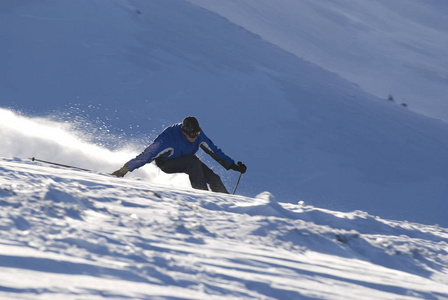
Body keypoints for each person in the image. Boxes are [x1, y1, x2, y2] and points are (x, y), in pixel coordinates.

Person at [112, 117, 247, 193]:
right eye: (192, 135)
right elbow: (146, 155)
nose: (195, 137)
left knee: (213, 177)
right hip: (167, 163)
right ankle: (204, 197)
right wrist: (124, 170)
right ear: (184, 132)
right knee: (193, 163)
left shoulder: (198, 134)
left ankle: (227, 203)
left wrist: (233, 165)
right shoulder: (168, 140)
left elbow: (213, 150)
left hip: (187, 159)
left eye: (197, 134)